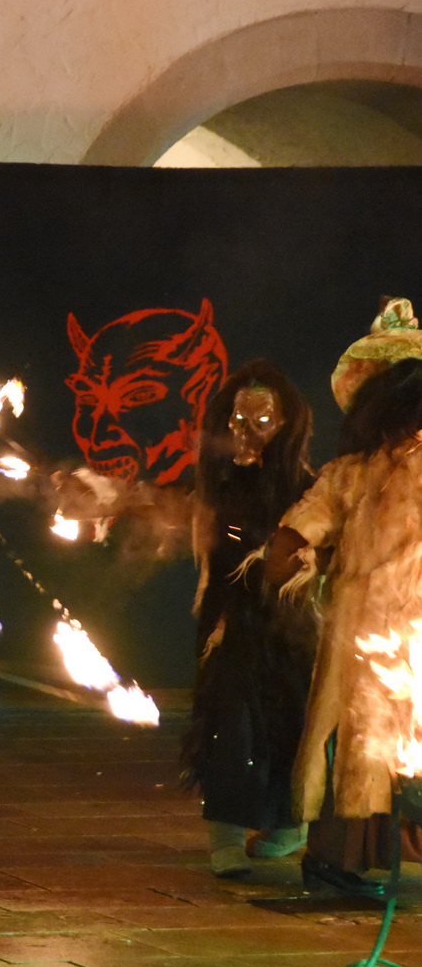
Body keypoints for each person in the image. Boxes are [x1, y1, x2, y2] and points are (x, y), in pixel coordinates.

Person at [267, 299, 422, 891]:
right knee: (356, 740)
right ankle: (335, 860)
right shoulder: (351, 472)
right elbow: (304, 524)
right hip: (359, 635)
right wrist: (288, 555)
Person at [180, 361, 317, 877]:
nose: (247, 432)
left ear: (287, 425)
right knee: (228, 723)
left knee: (290, 720)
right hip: (230, 627)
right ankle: (227, 835)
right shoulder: (218, 486)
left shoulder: (308, 486)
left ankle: (287, 825)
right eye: (238, 421)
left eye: (262, 421)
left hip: (292, 628)